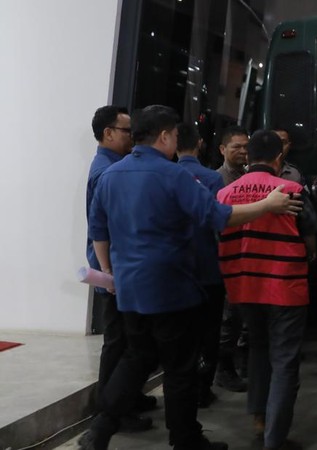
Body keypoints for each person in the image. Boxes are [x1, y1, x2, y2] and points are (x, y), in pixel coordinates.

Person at [81, 105, 303, 450]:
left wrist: (109, 273)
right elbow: (217, 216)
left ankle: (101, 428)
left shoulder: (110, 175)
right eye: (173, 135)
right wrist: (267, 206)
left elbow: (98, 231)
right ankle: (185, 440)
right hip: (171, 287)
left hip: (130, 289)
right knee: (179, 368)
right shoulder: (174, 176)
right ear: (165, 136)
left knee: (136, 357)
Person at [217, 130, 317, 450]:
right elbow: (310, 236)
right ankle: (275, 439)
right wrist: (309, 254)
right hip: (285, 287)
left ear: (248, 157)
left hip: (243, 288)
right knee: (285, 360)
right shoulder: (291, 190)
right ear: (279, 158)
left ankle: (259, 419)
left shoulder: (225, 193)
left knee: (258, 350)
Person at [86, 105, 155, 432]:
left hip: (118, 266)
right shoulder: (107, 172)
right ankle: (110, 409)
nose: (132, 136)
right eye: (127, 131)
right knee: (117, 340)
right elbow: (105, 226)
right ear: (108, 133)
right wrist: (110, 271)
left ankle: (126, 397)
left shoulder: (112, 166)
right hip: (114, 268)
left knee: (127, 338)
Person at [175, 123, 226, 408]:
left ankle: (181, 388)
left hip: (176, 270)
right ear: (200, 144)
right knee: (209, 331)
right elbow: (220, 223)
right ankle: (202, 389)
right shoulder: (211, 178)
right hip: (207, 267)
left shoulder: (166, 175)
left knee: (182, 333)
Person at [215, 124, 251, 392]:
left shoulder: (250, 176)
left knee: (242, 317)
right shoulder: (217, 180)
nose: (242, 151)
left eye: (246, 146)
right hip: (225, 257)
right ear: (222, 149)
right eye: (236, 146)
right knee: (228, 318)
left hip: (247, 256)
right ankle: (223, 369)